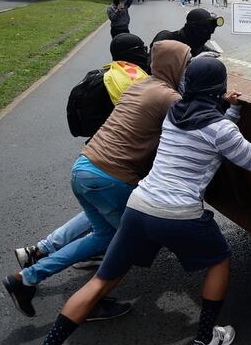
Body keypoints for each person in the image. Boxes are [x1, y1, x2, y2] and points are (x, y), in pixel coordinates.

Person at [13, 57, 251, 345]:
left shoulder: (174, 114)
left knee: (101, 282)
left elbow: (211, 132)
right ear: (219, 89)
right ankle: (204, 340)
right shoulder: (220, 129)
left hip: (139, 206)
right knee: (220, 260)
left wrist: (232, 111)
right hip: (180, 212)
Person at [3, 41, 192, 320]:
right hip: (111, 178)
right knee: (130, 244)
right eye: (186, 63)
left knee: (103, 237)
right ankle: (91, 302)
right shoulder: (169, 98)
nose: (187, 69)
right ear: (174, 65)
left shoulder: (141, 85)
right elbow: (196, 127)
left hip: (84, 168)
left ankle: (27, 277)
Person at [16, 33, 152, 285]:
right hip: (116, 167)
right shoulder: (133, 82)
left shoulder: (108, 75)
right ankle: (87, 298)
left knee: (100, 221)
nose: (145, 53)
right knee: (127, 238)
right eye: (141, 49)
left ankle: (38, 253)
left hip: (90, 160)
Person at [153, 7, 225, 57]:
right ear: (193, 29)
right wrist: (190, 62)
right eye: (205, 33)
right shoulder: (166, 39)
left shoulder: (200, 48)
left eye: (210, 33)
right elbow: (153, 69)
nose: (208, 38)